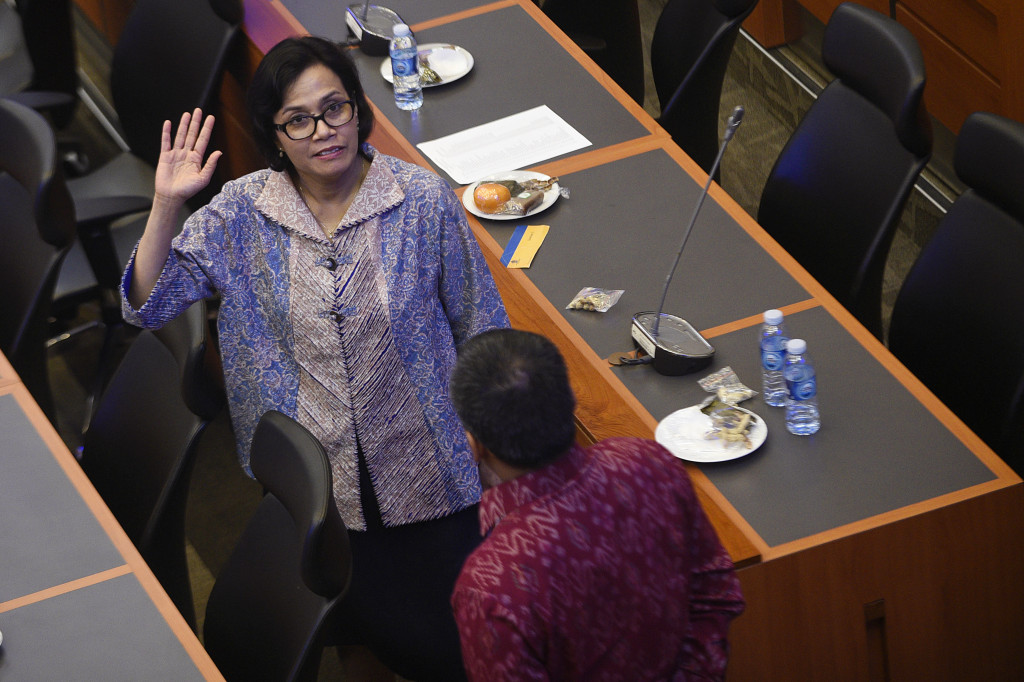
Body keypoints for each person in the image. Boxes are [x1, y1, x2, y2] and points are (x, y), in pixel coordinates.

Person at [121, 36, 508, 680]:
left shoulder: (420, 200)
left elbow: (483, 327)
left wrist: (489, 445)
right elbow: (150, 305)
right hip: (321, 488)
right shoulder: (244, 214)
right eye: (298, 120)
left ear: (359, 109)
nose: (323, 131)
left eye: (335, 109)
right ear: (276, 136)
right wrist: (166, 205)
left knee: (452, 650)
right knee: (352, 638)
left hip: (432, 474)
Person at [449, 329, 746, 681]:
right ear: (572, 399)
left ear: (474, 444)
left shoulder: (490, 587)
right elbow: (716, 593)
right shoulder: (649, 462)